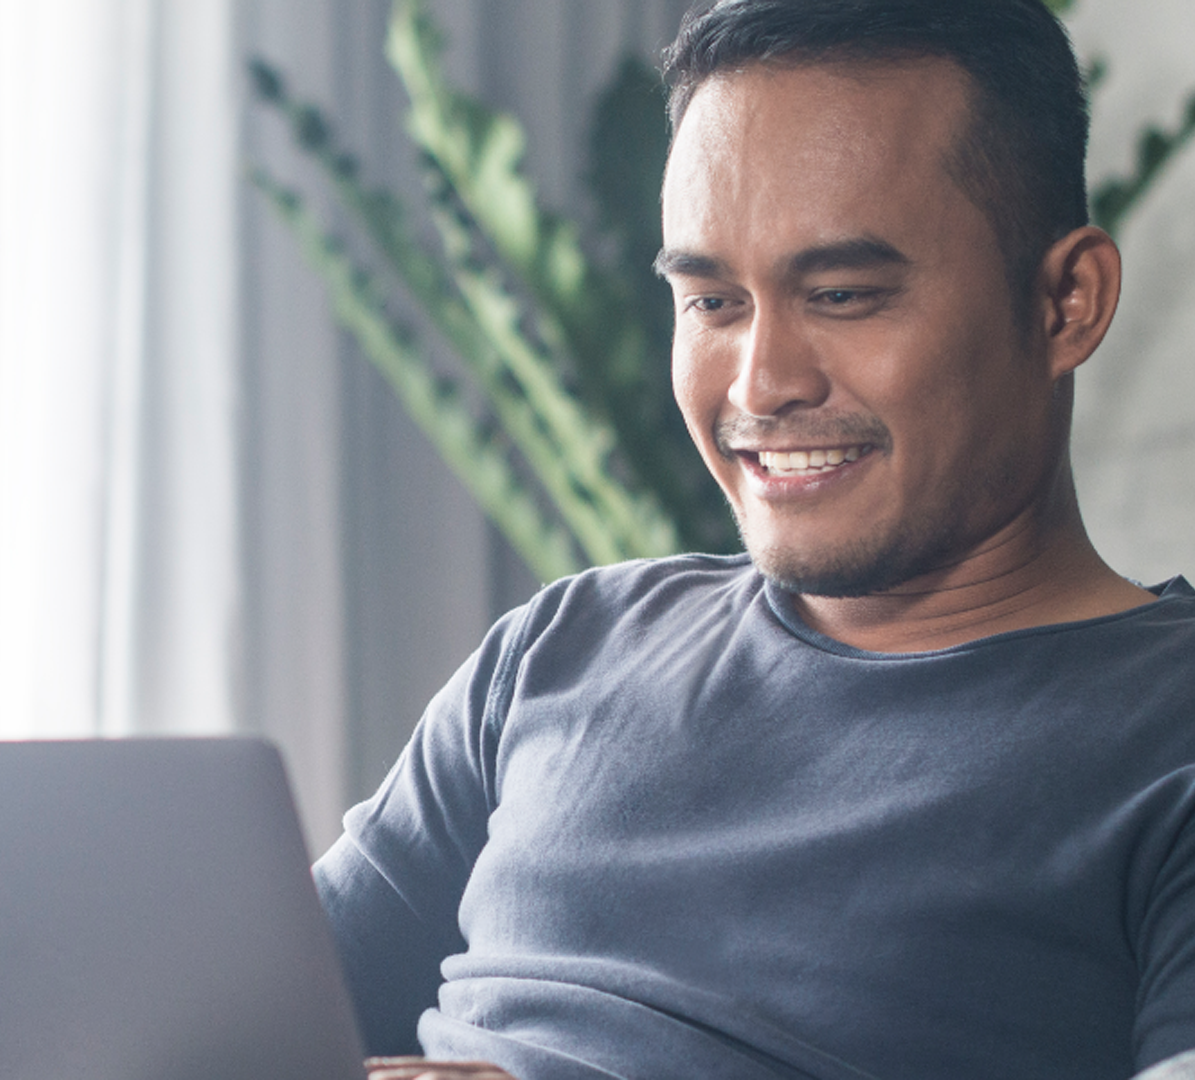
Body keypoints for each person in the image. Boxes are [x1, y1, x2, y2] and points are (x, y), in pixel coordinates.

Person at [315, 1, 1195, 1078]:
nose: (762, 383)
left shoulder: (1167, 738)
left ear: (1067, 301)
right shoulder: (563, 646)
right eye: (712, 300)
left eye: (842, 293)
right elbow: (219, 1024)